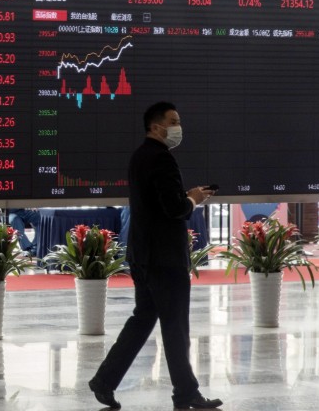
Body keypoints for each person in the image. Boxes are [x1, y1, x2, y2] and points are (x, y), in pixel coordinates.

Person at [88, 101, 221, 410]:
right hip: (165, 259)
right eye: (173, 122)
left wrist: (185, 197)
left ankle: (105, 381)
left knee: (143, 319)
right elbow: (174, 208)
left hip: (143, 255)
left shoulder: (139, 157)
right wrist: (193, 198)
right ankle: (185, 393)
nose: (178, 128)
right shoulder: (162, 159)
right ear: (156, 126)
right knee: (175, 326)